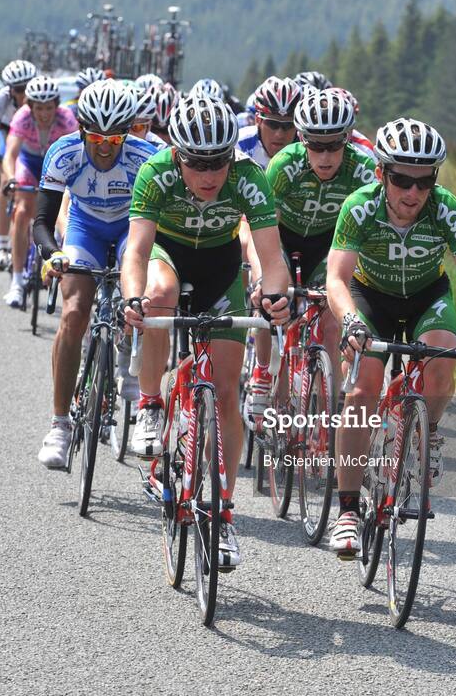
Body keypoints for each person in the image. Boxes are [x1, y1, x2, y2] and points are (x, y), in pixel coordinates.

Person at [120, 96, 290, 568]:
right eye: (198, 163)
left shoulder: (249, 178)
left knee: (226, 390)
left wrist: (275, 294)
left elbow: (272, 259)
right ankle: (151, 404)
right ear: (177, 155)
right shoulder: (155, 173)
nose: (210, 174)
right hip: (168, 254)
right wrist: (132, 298)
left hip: (219, 266)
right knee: (160, 295)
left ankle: (223, 512)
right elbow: (136, 251)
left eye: (219, 161)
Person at [325, 118, 456, 555]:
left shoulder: (446, 209)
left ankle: (430, 434)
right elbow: (336, 276)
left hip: (427, 296)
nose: (413, 193)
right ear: (381, 174)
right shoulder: (359, 206)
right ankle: (348, 510)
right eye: (402, 179)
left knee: (442, 359)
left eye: (424, 182)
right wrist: (351, 321)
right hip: (370, 296)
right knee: (362, 389)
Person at [33, 80, 159, 468]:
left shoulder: (147, 156)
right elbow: (40, 220)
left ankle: (131, 369)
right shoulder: (64, 152)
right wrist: (53, 255)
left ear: (129, 132)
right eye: (96, 137)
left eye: (115, 139)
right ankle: (59, 424)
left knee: (144, 294)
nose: (105, 147)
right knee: (73, 314)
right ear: (82, 129)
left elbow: (162, 222)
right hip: (84, 226)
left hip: (129, 228)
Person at [247, 89, 377, 419]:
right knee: (272, 300)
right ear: (301, 138)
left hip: (329, 247)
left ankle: (328, 410)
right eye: (316, 145)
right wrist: (264, 275)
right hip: (283, 240)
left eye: (334, 144)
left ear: (348, 138)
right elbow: (262, 227)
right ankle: (263, 371)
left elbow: (371, 233)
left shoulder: (363, 169)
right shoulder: (284, 165)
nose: (325, 155)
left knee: (333, 323)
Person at [0, 76, 79, 307]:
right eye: (39, 108)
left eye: (48, 108)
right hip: (30, 161)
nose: (44, 113)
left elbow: (77, 154)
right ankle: (16, 282)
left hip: (57, 163)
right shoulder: (22, 117)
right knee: (23, 210)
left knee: (58, 210)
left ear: (56, 105)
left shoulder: (66, 119)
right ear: (30, 106)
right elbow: (11, 155)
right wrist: (12, 179)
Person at [0, 59, 37, 270]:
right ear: (10, 89)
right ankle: (2, 245)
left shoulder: (41, 100)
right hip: (7, 135)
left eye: (27, 87)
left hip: (31, 141)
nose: (24, 94)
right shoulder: (0, 100)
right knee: (7, 181)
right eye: (19, 90)